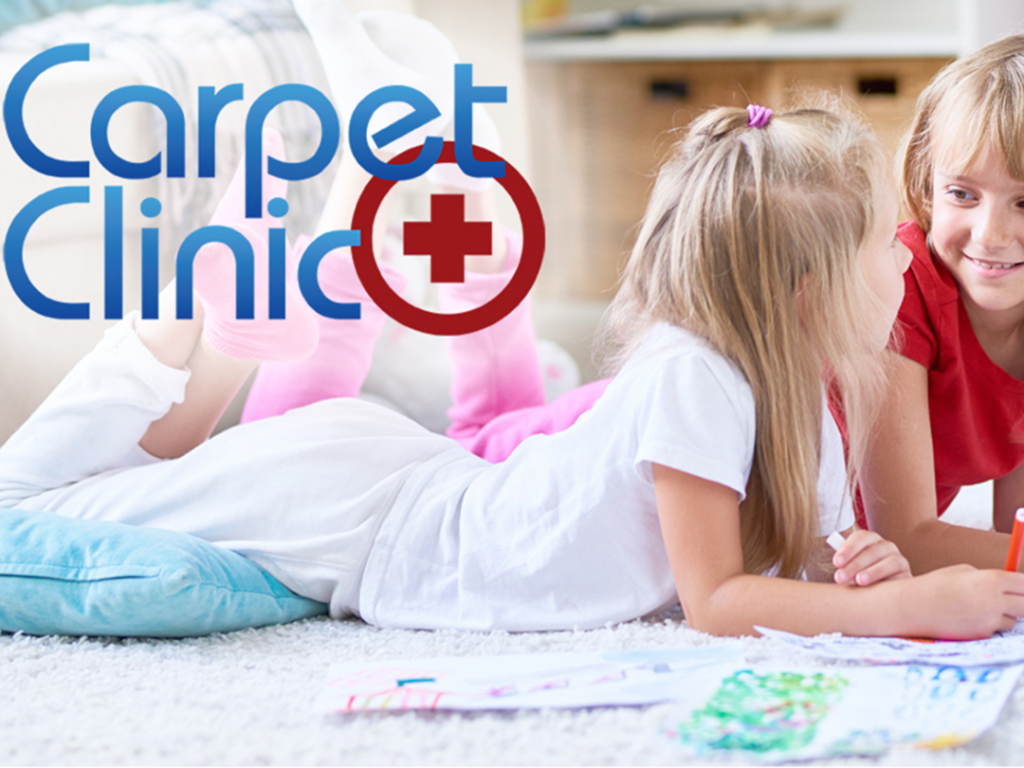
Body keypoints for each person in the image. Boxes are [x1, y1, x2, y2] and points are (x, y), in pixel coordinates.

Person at [2, 104, 1021, 639]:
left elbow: (781, 567)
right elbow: (716, 604)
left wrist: (862, 568)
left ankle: (217, 331)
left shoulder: (803, 399)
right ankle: (188, 321)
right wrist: (894, 611)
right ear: (806, 291)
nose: (904, 254)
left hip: (393, 479)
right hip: (363, 514)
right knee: (26, 501)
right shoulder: (697, 376)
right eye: (877, 247)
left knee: (120, 490)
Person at [857, 34, 1024, 574]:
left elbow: (1014, 531)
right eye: (962, 194)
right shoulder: (898, 284)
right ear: (926, 186)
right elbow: (907, 538)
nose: (992, 234)